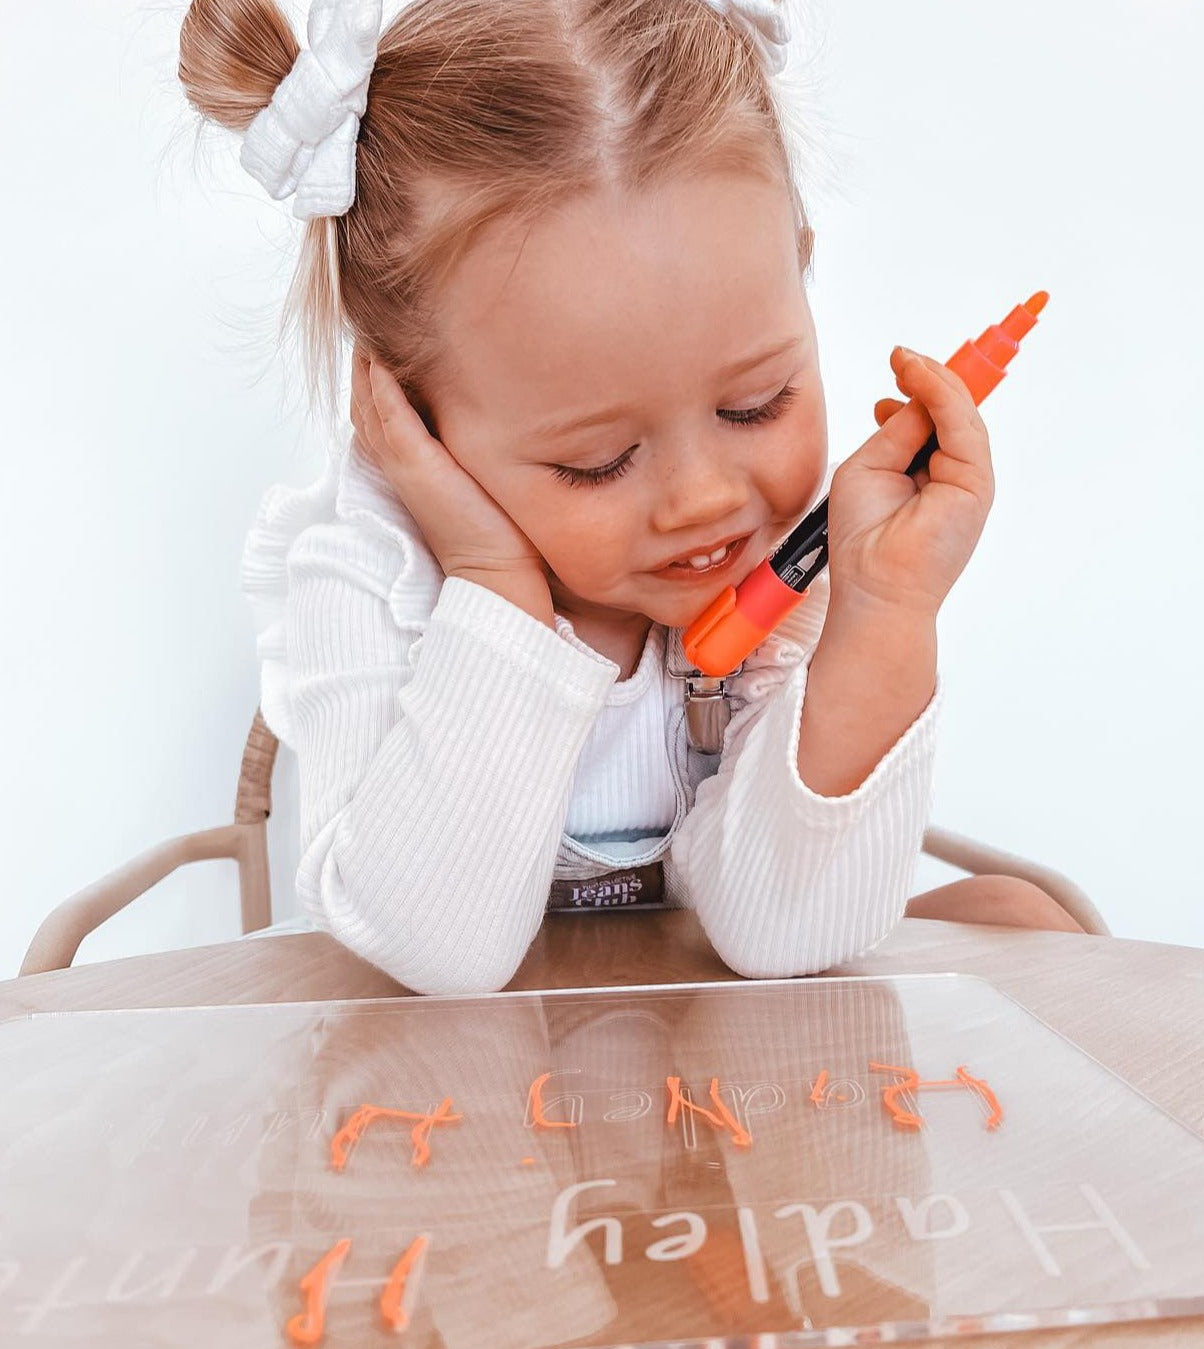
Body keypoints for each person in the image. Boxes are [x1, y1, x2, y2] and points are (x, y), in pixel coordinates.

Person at [182, 0, 1083, 995]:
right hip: (469, 1075)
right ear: (415, 421)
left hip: (702, 1050)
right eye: (599, 461)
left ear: (802, 270)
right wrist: (495, 584)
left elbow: (783, 938)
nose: (704, 502)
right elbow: (438, 957)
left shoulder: (789, 567)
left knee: (1023, 916)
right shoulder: (365, 576)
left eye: (756, 404)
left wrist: (884, 620)